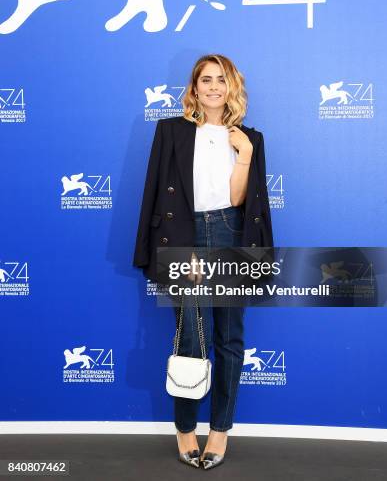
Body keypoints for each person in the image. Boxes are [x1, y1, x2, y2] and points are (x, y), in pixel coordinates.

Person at [133, 54, 274, 469]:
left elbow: (238, 201)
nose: (213, 87)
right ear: (194, 88)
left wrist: (245, 154)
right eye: (205, 80)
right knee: (190, 336)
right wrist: (150, 250)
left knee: (229, 337)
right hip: (184, 236)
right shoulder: (170, 131)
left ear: (232, 88)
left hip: (229, 233)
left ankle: (220, 430)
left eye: (221, 80)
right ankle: (184, 427)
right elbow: (153, 192)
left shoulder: (249, 138)